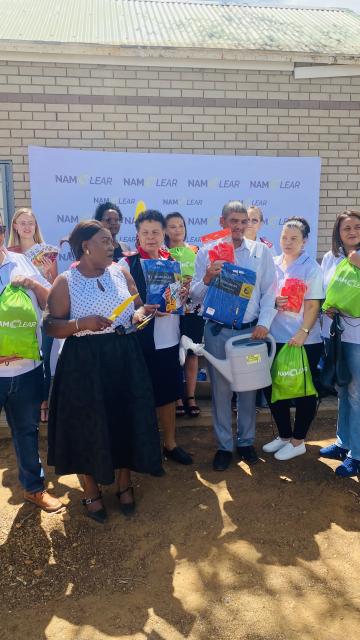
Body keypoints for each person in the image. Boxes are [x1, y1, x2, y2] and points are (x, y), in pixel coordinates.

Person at [45, 220, 163, 523]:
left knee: (124, 418)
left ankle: (124, 484)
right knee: (89, 425)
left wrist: (142, 313)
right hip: (84, 363)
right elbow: (50, 325)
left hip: (124, 356)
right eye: (105, 241)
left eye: (112, 241)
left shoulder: (120, 272)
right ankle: (91, 489)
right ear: (86, 246)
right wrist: (80, 324)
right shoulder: (66, 281)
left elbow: (134, 308)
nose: (112, 246)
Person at [190, 200, 276, 471]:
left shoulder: (261, 252)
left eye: (244, 221)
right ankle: (224, 446)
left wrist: (263, 323)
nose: (239, 227)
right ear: (222, 222)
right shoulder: (206, 252)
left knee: (248, 389)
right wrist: (206, 277)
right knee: (221, 391)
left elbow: (269, 292)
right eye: (233, 221)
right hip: (217, 330)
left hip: (250, 332)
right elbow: (193, 297)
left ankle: (246, 441)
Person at [0, 213, 62, 512]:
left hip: (26, 369)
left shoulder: (22, 262)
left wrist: (36, 286)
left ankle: (34, 489)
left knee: (26, 430)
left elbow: (49, 301)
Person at [120, 209, 192, 465]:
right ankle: (142, 446)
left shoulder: (173, 260)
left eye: (156, 232)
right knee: (139, 394)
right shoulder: (125, 264)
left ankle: (170, 444)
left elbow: (182, 296)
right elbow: (119, 304)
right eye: (145, 232)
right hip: (138, 341)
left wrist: (183, 295)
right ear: (138, 235)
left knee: (168, 394)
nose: (151, 237)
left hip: (169, 338)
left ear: (164, 234)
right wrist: (140, 310)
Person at [262, 217, 323, 461]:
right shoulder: (274, 263)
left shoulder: (310, 267)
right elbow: (265, 296)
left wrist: (303, 332)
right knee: (273, 388)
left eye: (294, 238)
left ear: (305, 241)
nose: (288, 242)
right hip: (274, 338)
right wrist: (272, 302)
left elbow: (313, 304)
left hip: (303, 341)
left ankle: (298, 440)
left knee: (304, 390)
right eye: (285, 237)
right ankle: (284, 436)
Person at [319, 210, 360, 477]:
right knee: (342, 390)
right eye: (347, 228)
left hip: (357, 339)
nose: (353, 232)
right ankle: (343, 443)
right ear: (339, 233)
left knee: (356, 395)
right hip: (334, 335)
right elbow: (323, 290)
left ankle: (356, 455)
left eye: (357, 227)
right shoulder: (330, 258)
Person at [8, 207, 57, 423]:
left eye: (31, 223)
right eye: (23, 223)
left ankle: (43, 402)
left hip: (43, 314)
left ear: (36, 226)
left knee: (43, 357)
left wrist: (46, 274)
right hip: (18, 316)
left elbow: (56, 288)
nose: (27, 227)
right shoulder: (9, 252)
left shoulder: (46, 253)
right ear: (15, 227)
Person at [164, 211, 204, 418]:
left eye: (181, 225)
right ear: (165, 230)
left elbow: (204, 277)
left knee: (191, 354)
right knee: (173, 355)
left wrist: (192, 285)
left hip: (193, 310)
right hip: (171, 312)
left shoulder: (196, 250)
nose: (177, 230)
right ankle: (177, 396)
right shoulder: (161, 254)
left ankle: (190, 396)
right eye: (172, 226)